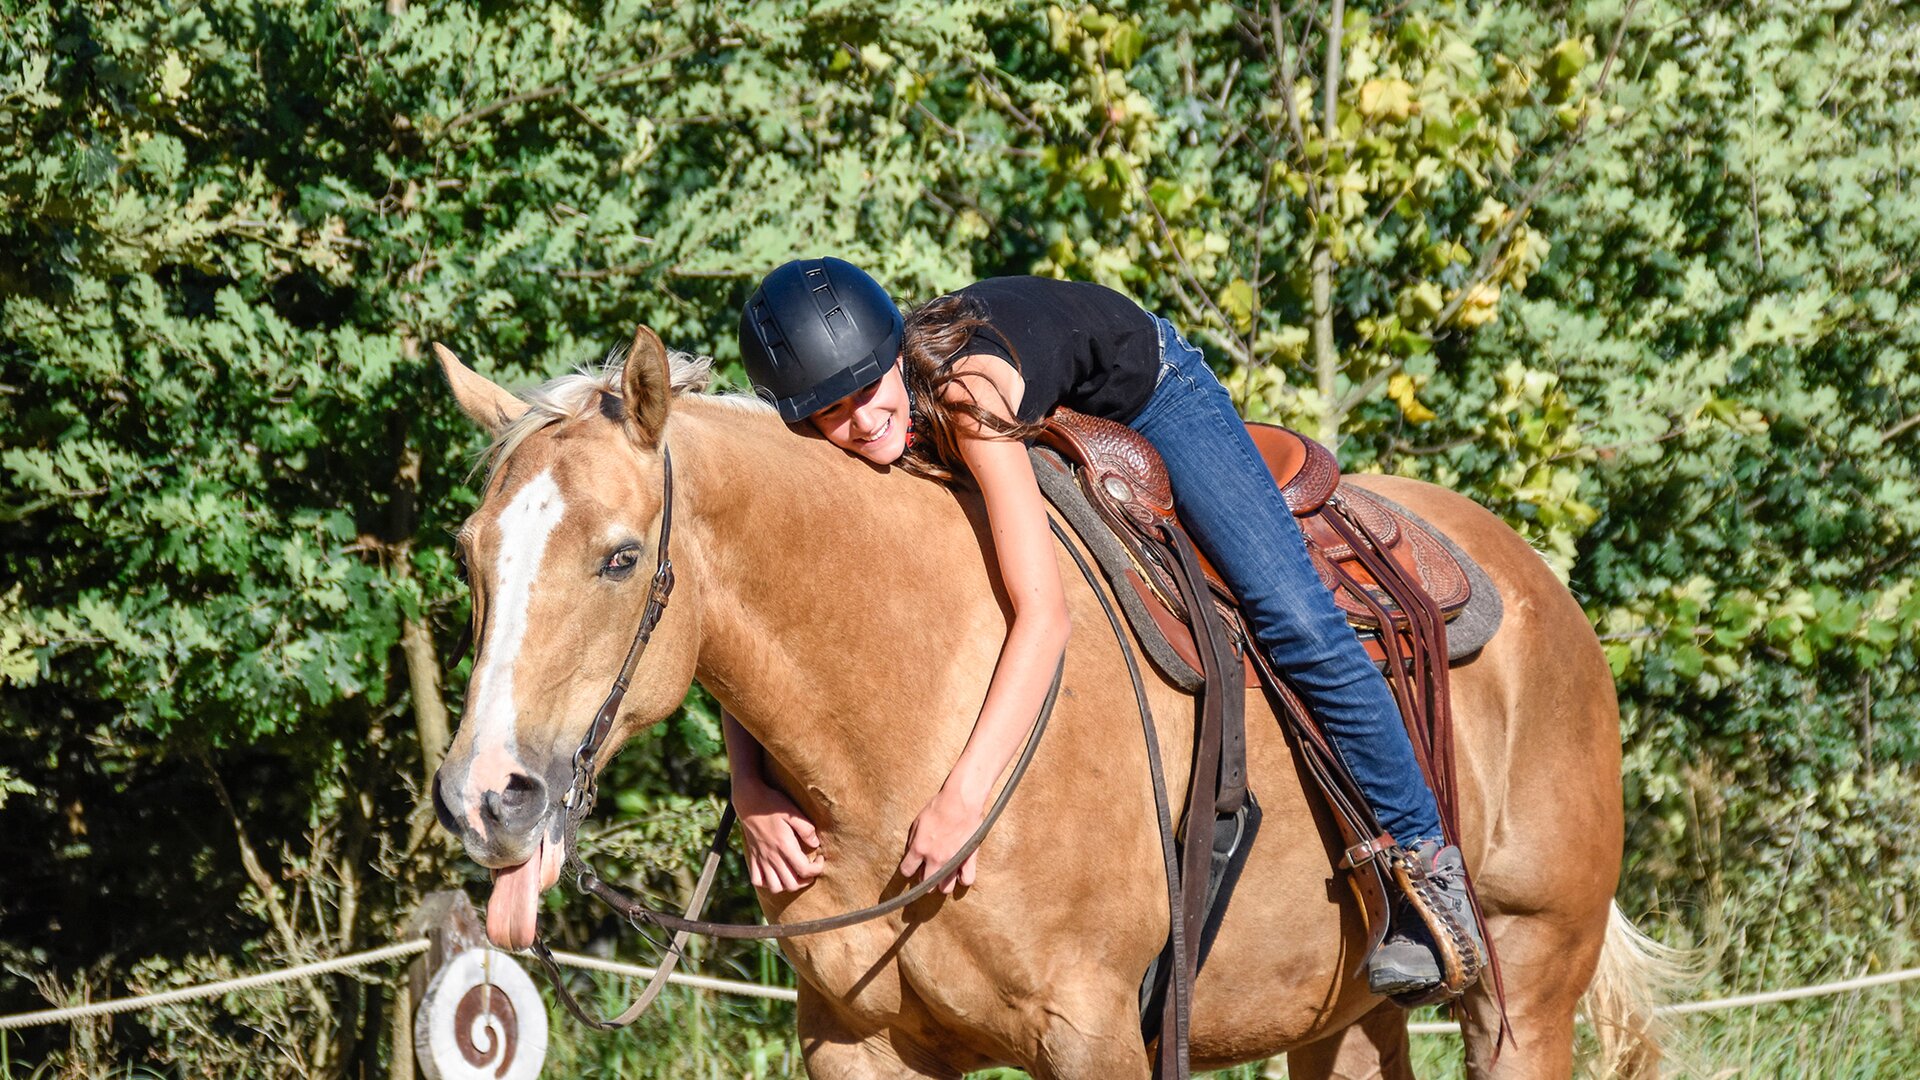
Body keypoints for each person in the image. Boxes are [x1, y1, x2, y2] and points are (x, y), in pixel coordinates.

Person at [723, 257, 1483, 999]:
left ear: (894, 356)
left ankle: (1426, 865)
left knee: (1294, 617)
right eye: (832, 411)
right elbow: (767, 619)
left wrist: (964, 799)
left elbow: (1045, 618)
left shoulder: (966, 397)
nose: (861, 420)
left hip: (1151, 391)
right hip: (1036, 387)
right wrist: (752, 788)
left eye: (868, 388)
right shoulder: (844, 438)